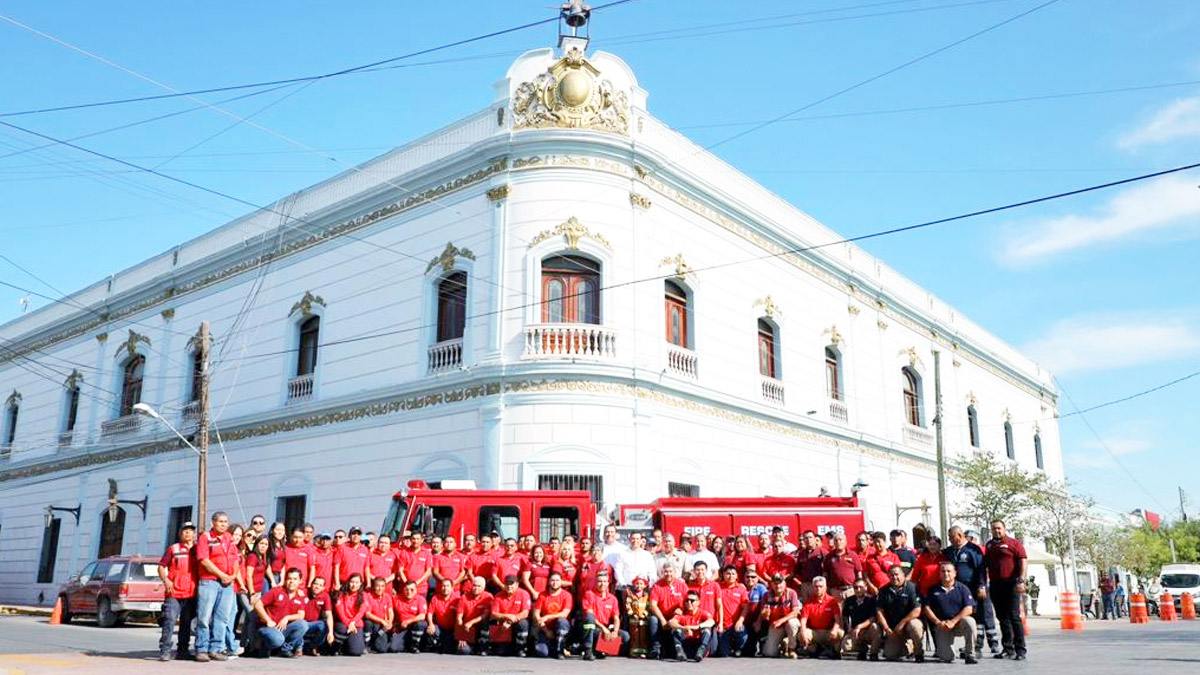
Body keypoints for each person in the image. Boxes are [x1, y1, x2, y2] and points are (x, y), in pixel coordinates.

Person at [195, 511, 240, 662]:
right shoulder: (206, 537)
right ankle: (202, 649)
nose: (223, 524)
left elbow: (235, 559)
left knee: (222, 618)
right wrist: (221, 575)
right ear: (213, 523)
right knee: (204, 617)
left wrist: (233, 575)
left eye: (226, 522)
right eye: (220, 521)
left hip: (227, 584)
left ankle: (216, 649)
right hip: (210, 582)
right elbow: (204, 560)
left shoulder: (229, 538)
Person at [945, 525, 997, 657]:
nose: (950, 540)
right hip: (960, 590)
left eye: (951, 537)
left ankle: (984, 645)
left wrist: (981, 585)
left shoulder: (973, 549)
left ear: (960, 536)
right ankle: (971, 645)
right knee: (969, 617)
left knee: (981, 615)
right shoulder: (950, 551)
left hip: (975, 588)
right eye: (949, 538)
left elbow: (980, 568)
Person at [983, 520, 1027, 660]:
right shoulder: (989, 545)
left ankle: (1020, 650)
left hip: (1011, 584)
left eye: (999, 528)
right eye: (994, 529)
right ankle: (1008, 648)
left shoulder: (1014, 543)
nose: (996, 531)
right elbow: (985, 565)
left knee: (1014, 616)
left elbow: (1023, 560)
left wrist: (1021, 580)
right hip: (996, 585)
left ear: (1004, 528)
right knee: (1002, 618)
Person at [158, 521, 198, 661]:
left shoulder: (198, 549)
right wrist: (166, 580)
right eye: (185, 531)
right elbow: (161, 566)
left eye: (191, 531)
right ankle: (165, 650)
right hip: (174, 592)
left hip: (191, 593)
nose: (188, 533)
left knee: (186, 623)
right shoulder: (173, 549)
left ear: (194, 534)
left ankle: (183, 651)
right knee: (169, 620)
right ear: (180, 533)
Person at [923, 561, 977, 664]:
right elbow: (926, 608)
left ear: (955, 573)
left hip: (959, 623)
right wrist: (938, 622)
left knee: (970, 621)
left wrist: (953, 621)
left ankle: (970, 654)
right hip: (943, 625)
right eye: (943, 571)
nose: (946, 573)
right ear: (939, 573)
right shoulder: (933, 590)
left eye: (949, 571)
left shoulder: (963, 588)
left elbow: (969, 608)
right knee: (947, 658)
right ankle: (948, 652)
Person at [252, 568, 309, 658]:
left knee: (303, 624)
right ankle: (264, 645)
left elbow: (301, 615)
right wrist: (268, 620)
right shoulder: (276, 591)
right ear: (285, 580)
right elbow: (257, 604)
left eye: (295, 579)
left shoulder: (300, 596)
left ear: (300, 581)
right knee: (278, 640)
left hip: (283, 628)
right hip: (268, 627)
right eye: (289, 578)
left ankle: (285, 650)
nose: (291, 581)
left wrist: (287, 618)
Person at [876, 564, 924, 662]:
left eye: (897, 574)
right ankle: (908, 647)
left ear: (903, 575)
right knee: (890, 654)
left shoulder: (912, 588)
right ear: (888, 576)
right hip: (894, 628)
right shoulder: (883, 590)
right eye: (891, 575)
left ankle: (918, 653)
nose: (894, 577)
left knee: (915, 625)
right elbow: (879, 611)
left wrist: (902, 623)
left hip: (909, 624)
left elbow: (917, 610)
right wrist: (886, 628)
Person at [581, 569, 627, 660]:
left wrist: (615, 631)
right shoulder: (589, 594)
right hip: (593, 627)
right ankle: (588, 650)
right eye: (600, 581)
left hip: (606, 628)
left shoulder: (613, 599)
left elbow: (616, 618)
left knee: (625, 636)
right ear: (596, 582)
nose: (602, 584)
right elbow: (589, 615)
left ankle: (602, 650)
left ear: (608, 583)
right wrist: (604, 629)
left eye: (605, 582)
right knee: (590, 619)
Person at [648, 562, 688, 660]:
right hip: (662, 616)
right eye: (666, 571)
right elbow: (653, 605)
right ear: (662, 573)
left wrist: (682, 609)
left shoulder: (682, 585)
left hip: (677, 617)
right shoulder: (657, 585)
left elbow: (689, 601)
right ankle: (656, 649)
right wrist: (662, 620)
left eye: (670, 571)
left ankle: (679, 649)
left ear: (675, 572)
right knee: (653, 619)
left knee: (679, 619)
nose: (668, 574)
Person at [800, 576, 844, 658]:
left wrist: (834, 630)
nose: (818, 589)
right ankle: (814, 650)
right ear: (813, 588)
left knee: (839, 633)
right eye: (816, 586)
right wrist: (803, 632)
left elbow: (838, 620)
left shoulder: (832, 601)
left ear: (826, 588)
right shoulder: (808, 602)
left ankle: (834, 651)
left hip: (829, 632)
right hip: (815, 632)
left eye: (821, 586)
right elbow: (803, 621)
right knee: (802, 634)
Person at [758, 574, 801, 658]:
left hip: (788, 623)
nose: (778, 586)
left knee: (792, 623)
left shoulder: (791, 593)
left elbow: (795, 612)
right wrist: (765, 614)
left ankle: (792, 649)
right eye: (775, 583)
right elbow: (763, 614)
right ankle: (783, 646)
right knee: (769, 653)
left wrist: (781, 621)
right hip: (775, 626)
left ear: (785, 583)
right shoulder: (766, 595)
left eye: (780, 583)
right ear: (771, 584)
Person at [532, 571, 573, 658]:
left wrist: (547, 617)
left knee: (562, 621)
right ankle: (553, 647)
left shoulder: (567, 595)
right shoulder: (542, 595)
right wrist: (546, 631)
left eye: (557, 580)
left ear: (561, 582)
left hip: (561, 627)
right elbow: (536, 615)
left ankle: (559, 650)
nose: (555, 583)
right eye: (552, 580)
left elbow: (564, 614)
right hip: (545, 628)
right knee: (542, 653)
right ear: (549, 582)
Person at [489, 575, 532, 656]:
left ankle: (521, 648)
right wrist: (507, 616)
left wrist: (510, 621)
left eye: (511, 584)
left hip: (516, 622)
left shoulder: (524, 594)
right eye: (507, 584)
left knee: (523, 623)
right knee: (501, 652)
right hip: (503, 625)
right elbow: (494, 614)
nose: (509, 586)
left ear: (517, 584)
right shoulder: (498, 596)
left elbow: (525, 613)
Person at [670, 591, 715, 662]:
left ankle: (701, 650)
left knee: (707, 629)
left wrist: (696, 627)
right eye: (687, 600)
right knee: (675, 629)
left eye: (692, 601)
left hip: (698, 644)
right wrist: (684, 628)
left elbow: (712, 621)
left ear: (698, 602)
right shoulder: (682, 613)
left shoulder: (702, 613)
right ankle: (680, 651)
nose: (689, 603)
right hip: (686, 643)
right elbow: (671, 622)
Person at [841, 578, 880, 660]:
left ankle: (874, 653)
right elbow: (845, 616)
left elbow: (873, 618)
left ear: (866, 587)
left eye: (860, 587)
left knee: (875, 627)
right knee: (846, 646)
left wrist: (859, 627)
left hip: (868, 630)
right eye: (855, 587)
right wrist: (848, 628)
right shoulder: (849, 600)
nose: (858, 590)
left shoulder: (872, 600)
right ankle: (862, 649)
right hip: (855, 631)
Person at [716, 565, 749, 657]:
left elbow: (746, 607)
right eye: (728, 574)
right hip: (723, 625)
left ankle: (738, 647)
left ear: (737, 575)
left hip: (736, 624)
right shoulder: (718, 587)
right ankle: (729, 647)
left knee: (743, 637)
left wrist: (740, 621)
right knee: (723, 654)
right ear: (723, 575)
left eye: (733, 574)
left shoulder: (741, 589)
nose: (730, 576)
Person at [455, 576, 493, 655]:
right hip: (468, 628)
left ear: (484, 587)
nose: (476, 588)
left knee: (485, 623)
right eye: (474, 585)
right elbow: (459, 618)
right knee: (463, 650)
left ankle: (484, 648)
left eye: (479, 586)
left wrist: (472, 622)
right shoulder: (464, 597)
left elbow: (485, 615)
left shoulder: (488, 597)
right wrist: (462, 635)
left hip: (481, 626)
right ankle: (472, 649)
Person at [333, 573, 367, 656]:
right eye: (352, 582)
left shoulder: (363, 595)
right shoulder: (341, 594)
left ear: (360, 584)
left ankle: (348, 645)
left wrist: (353, 623)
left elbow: (361, 612)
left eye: (357, 582)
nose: (354, 585)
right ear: (348, 582)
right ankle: (338, 647)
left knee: (356, 652)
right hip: (343, 623)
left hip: (355, 624)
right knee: (341, 628)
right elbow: (341, 613)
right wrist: (349, 623)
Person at [390, 579, 428, 653]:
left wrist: (408, 621)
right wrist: (394, 625)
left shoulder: (421, 599)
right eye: (406, 589)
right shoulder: (396, 599)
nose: (409, 592)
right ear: (403, 590)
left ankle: (415, 645)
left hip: (415, 627)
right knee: (393, 648)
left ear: (416, 590)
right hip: (402, 628)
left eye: (412, 590)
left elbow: (422, 616)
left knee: (420, 624)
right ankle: (408, 645)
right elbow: (390, 612)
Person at [616, 532, 658, 596]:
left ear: (641, 541)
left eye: (637, 539)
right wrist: (623, 585)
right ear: (629, 539)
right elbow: (618, 571)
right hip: (627, 588)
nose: (635, 541)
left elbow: (652, 572)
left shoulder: (647, 555)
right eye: (633, 538)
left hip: (643, 589)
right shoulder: (622, 554)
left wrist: (650, 585)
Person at [823, 532, 863, 599]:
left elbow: (859, 572)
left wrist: (859, 587)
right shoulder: (828, 557)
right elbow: (825, 574)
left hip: (851, 590)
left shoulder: (853, 555)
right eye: (836, 540)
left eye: (840, 540)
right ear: (834, 542)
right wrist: (828, 590)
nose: (838, 542)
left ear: (845, 542)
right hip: (835, 591)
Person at [302, 576, 335, 655]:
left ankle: (312, 647)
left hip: (313, 625)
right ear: (311, 584)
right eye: (316, 584)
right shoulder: (303, 592)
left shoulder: (325, 596)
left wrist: (331, 632)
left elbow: (329, 615)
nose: (317, 587)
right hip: (301, 623)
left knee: (324, 625)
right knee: (300, 624)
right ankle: (298, 647)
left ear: (323, 588)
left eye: (320, 585)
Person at [363, 576, 394, 653]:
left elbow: (390, 611)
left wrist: (390, 621)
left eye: (382, 586)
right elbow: (367, 614)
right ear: (373, 586)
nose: (380, 589)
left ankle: (375, 643)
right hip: (372, 623)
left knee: (382, 649)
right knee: (367, 623)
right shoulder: (368, 596)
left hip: (381, 626)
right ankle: (366, 644)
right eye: (378, 586)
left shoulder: (387, 596)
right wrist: (381, 621)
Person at [398, 532, 434, 597]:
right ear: (411, 540)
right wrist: (407, 584)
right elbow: (400, 570)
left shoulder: (427, 553)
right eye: (413, 539)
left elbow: (428, 571)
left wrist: (417, 583)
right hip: (406, 588)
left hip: (421, 589)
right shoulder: (404, 552)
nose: (415, 541)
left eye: (418, 539)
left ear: (422, 540)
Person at [625, 575, 652, 658]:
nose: (639, 585)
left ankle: (644, 651)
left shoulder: (646, 596)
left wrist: (644, 614)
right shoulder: (631, 596)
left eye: (641, 584)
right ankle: (634, 651)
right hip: (634, 620)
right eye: (637, 583)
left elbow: (649, 607)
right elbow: (628, 605)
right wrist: (632, 614)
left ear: (645, 585)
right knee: (634, 636)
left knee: (643, 636)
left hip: (643, 620)